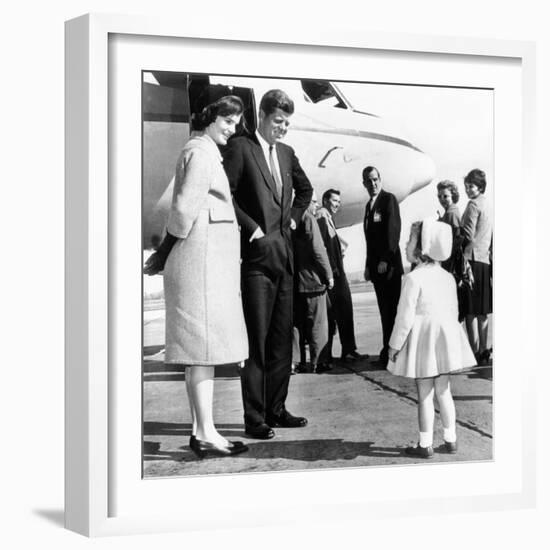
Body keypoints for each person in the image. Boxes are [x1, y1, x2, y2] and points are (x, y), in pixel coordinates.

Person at [146, 94, 250, 458]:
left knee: (199, 355)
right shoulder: (202, 153)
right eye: (228, 121)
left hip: (201, 268)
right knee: (202, 354)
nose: (232, 129)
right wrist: (163, 253)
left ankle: (202, 430)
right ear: (210, 118)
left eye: (235, 123)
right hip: (200, 270)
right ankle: (205, 433)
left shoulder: (202, 151)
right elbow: (185, 207)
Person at [223, 89, 313, 440]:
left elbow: (304, 191)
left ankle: (277, 408)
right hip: (257, 262)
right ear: (262, 115)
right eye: (278, 121)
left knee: (280, 342)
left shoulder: (288, 154)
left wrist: (293, 216)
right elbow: (225, 193)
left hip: (285, 259)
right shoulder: (241, 148)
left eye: (287, 123)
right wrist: (253, 228)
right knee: (257, 344)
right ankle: (255, 416)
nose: (283, 128)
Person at [387, 219, 476, 458]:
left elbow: (404, 317)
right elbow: (453, 311)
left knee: (424, 393)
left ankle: (424, 443)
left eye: (409, 241)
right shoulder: (447, 277)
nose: (406, 245)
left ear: (420, 249)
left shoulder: (413, 279)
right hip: (445, 341)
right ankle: (451, 439)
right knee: (444, 390)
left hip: (424, 343)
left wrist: (394, 346)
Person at [362, 166, 404, 367]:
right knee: (384, 312)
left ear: (380, 179)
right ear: (364, 184)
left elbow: (393, 232)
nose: (373, 184)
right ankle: (388, 351)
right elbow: (370, 240)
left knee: (393, 312)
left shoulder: (389, 200)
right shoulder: (369, 206)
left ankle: (395, 354)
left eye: (375, 179)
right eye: (368, 181)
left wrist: (385, 260)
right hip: (377, 270)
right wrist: (368, 265)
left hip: (389, 269)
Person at [317, 189, 362, 365]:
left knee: (342, 312)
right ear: (325, 201)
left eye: (338, 201)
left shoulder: (327, 217)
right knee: (341, 311)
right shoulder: (322, 216)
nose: (337, 204)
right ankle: (343, 352)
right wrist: (331, 270)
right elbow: (322, 245)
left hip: (336, 271)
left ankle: (346, 350)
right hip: (334, 273)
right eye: (334, 200)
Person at [293, 193, 334, 373]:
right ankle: (319, 361)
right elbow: (318, 250)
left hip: (295, 282)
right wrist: (329, 274)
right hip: (313, 282)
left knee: (297, 326)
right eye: (314, 202)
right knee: (318, 323)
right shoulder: (309, 218)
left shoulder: (289, 217)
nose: (316, 206)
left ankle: (294, 362)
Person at [461, 169, 493, 365]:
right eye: (466, 186)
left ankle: (473, 352)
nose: (467, 190)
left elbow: (468, 234)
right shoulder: (488, 204)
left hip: (471, 260)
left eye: (471, 186)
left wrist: (462, 254)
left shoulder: (473, 204)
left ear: (479, 187)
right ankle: (483, 349)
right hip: (485, 261)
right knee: (483, 311)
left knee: (470, 311)